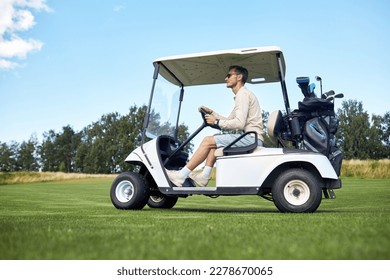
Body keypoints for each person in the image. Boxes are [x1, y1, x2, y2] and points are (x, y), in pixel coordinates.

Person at [166, 65, 264, 187]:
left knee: (208, 141)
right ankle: (204, 176)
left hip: (251, 138)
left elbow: (238, 123)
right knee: (215, 139)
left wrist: (216, 122)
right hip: (249, 137)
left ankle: (180, 176)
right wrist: (213, 113)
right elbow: (229, 120)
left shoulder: (243, 94)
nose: (225, 78)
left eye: (229, 75)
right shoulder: (243, 95)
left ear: (239, 77)